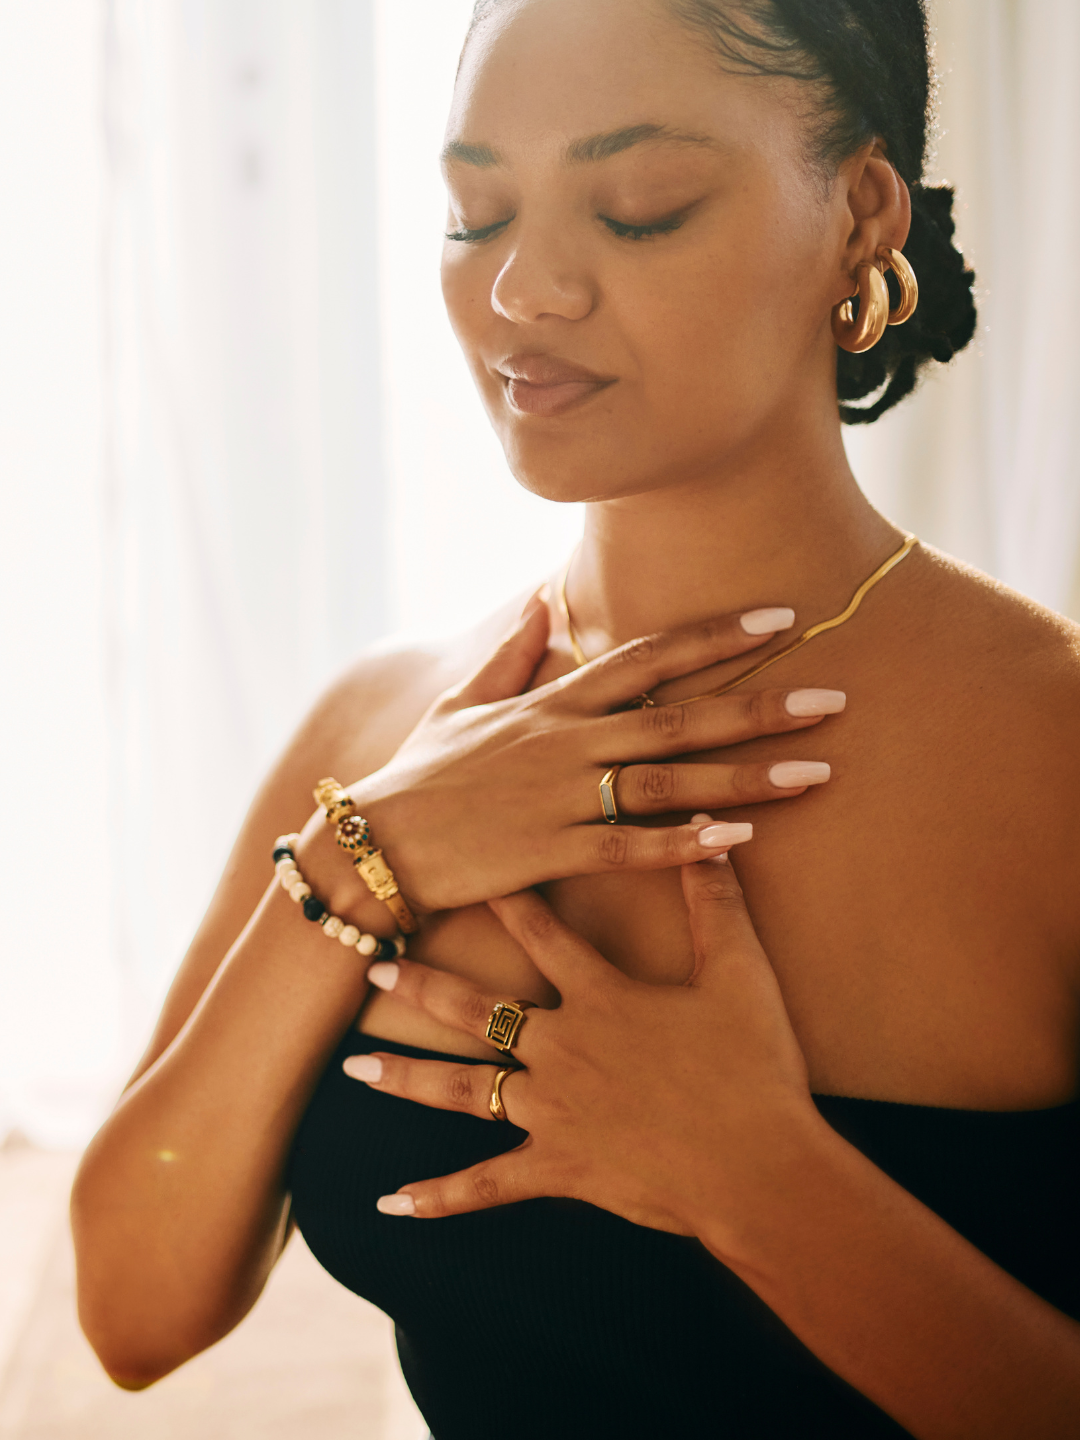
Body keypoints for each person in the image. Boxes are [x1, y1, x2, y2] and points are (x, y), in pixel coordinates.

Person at [72, 0, 1080, 1435]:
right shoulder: (378, 729)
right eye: (474, 212)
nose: (522, 290)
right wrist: (363, 865)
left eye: (639, 209)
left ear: (862, 212)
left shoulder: (1054, 756)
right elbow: (131, 1305)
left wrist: (756, 1179)